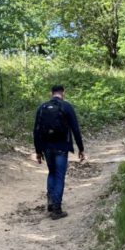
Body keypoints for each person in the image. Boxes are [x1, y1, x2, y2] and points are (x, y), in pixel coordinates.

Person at [33, 85, 85, 219]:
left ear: (51, 93)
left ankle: (50, 201)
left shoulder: (42, 107)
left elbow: (36, 131)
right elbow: (75, 129)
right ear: (63, 93)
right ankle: (57, 209)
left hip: (47, 148)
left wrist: (38, 151)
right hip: (62, 147)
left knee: (51, 172)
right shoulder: (66, 106)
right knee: (59, 176)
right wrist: (81, 149)